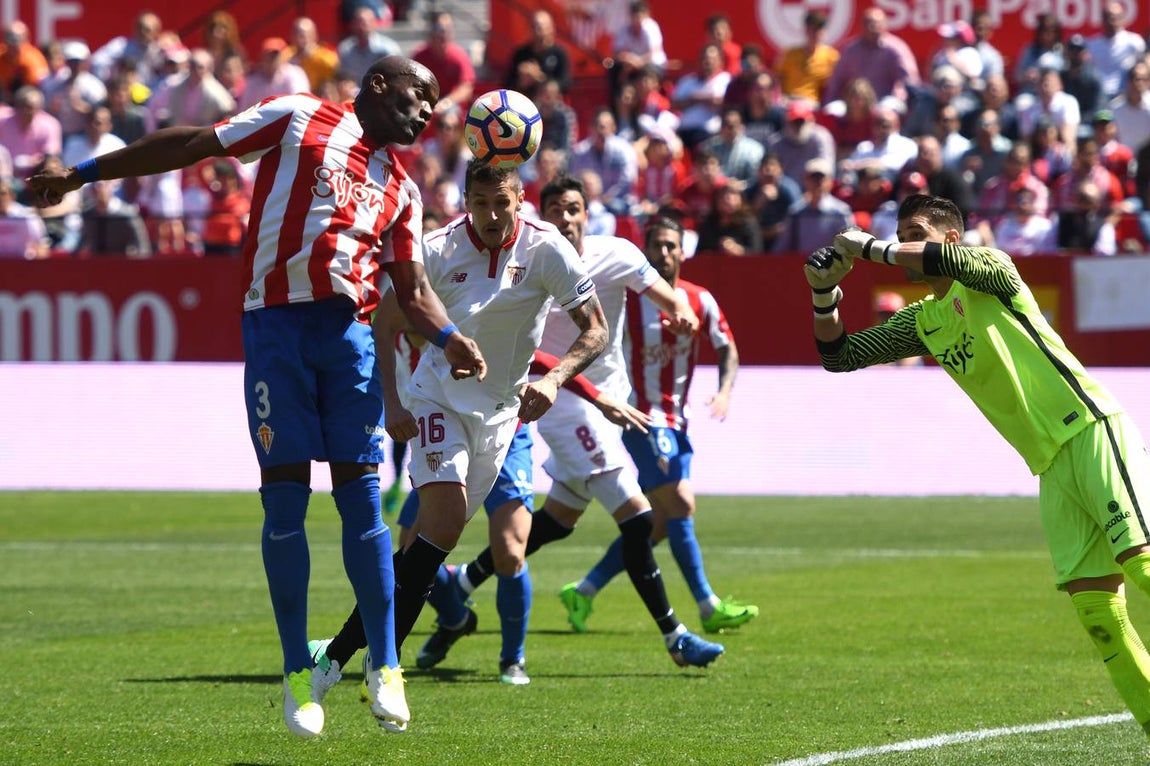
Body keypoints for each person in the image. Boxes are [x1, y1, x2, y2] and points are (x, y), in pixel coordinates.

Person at [27, 55, 487, 739]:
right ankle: (297, 671)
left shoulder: (404, 189)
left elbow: (412, 290)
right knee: (285, 503)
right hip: (276, 333)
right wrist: (84, 173)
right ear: (380, 85)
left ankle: (383, 665)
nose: (426, 113)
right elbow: (192, 143)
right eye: (420, 96)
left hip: (351, 340)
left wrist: (449, 336)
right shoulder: (298, 115)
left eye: (434, 105)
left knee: (362, 501)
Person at [811, 193, 1150, 740]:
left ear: (948, 237)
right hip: (1049, 465)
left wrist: (872, 248)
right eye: (900, 232)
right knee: (1099, 616)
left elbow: (954, 263)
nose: (904, 242)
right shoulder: (923, 320)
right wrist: (824, 294)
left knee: (1143, 567)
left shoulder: (990, 268)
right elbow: (839, 356)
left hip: (1089, 428)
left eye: (915, 232)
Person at [307, 163, 612, 698]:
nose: (491, 216)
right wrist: (393, 400)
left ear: (520, 200)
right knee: (442, 524)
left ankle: (339, 652)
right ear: (465, 200)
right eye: (480, 203)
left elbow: (597, 329)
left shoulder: (548, 250)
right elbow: (386, 322)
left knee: (431, 546)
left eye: (502, 203)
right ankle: (384, 670)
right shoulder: (438, 249)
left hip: (501, 415)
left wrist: (557, 378)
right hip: (437, 399)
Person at [423, 175, 726, 670]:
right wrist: (589, 394)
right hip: (562, 404)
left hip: (611, 402)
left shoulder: (616, 254)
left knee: (558, 521)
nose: (566, 218)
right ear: (539, 212)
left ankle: (464, 580)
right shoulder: (533, 258)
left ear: (588, 214)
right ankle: (676, 635)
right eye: (557, 209)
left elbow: (661, 293)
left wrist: (680, 314)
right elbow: (527, 350)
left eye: (575, 209)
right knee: (639, 517)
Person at [310, 282, 647, 686]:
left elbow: (535, 359)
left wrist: (596, 396)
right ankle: (449, 621)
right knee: (416, 550)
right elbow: (376, 359)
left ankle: (511, 659)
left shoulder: (463, 324)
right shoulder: (398, 345)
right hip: (445, 435)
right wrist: (390, 410)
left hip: (505, 434)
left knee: (510, 550)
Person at [560, 215, 757, 634]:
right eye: (657, 247)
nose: (664, 254)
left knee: (661, 522)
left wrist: (724, 392)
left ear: (683, 251)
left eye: (671, 246)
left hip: (677, 422)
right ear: (646, 252)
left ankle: (584, 590)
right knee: (681, 503)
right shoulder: (627, 300)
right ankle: (707, 604)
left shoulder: (699, 300)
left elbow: (728, 348)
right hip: (640, 419)